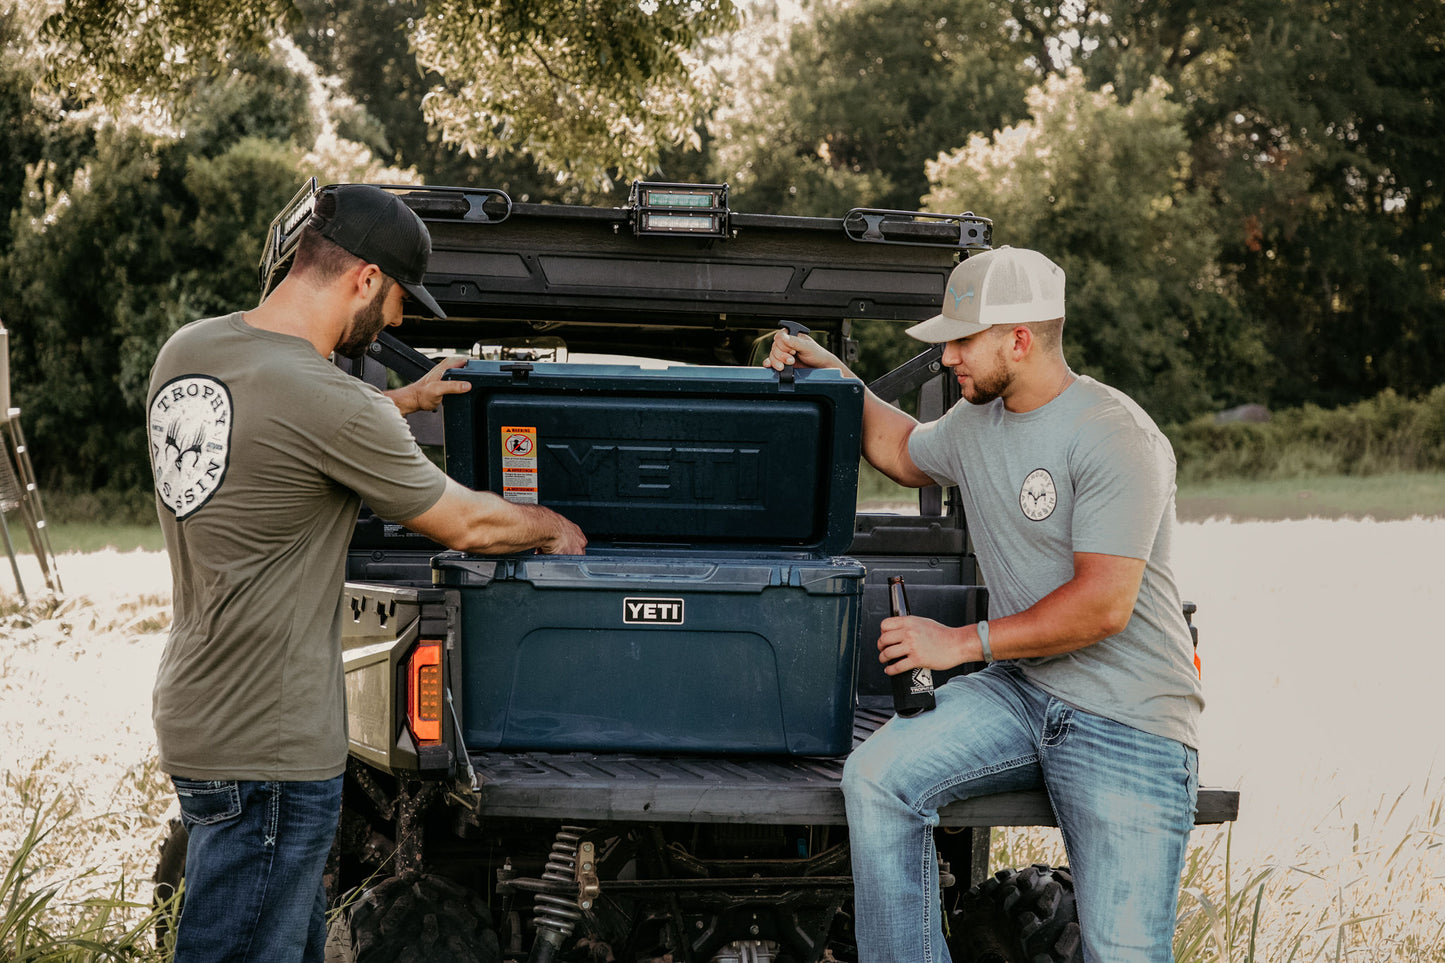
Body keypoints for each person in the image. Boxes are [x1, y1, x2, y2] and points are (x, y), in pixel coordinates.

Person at [146, 184, 587, 962]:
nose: (398, 321)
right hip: (273, 744)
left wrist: (397, 402)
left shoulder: (191, 351)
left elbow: (286, 420)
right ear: (364, 277)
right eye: (396, 299)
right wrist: (551, 526)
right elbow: (468, 522)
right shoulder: (330, 405)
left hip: (199, 711)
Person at [764, 246, 1203, 962]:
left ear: (1019, 340)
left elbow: (1101, 606)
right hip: (1024, 690)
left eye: (960, 341)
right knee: (876, 780)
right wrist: (833, 374)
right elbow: (904, 447)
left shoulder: (1114, 434)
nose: (945, 359)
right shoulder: (977, 424)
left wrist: (959, 642)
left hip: (1128, 718)